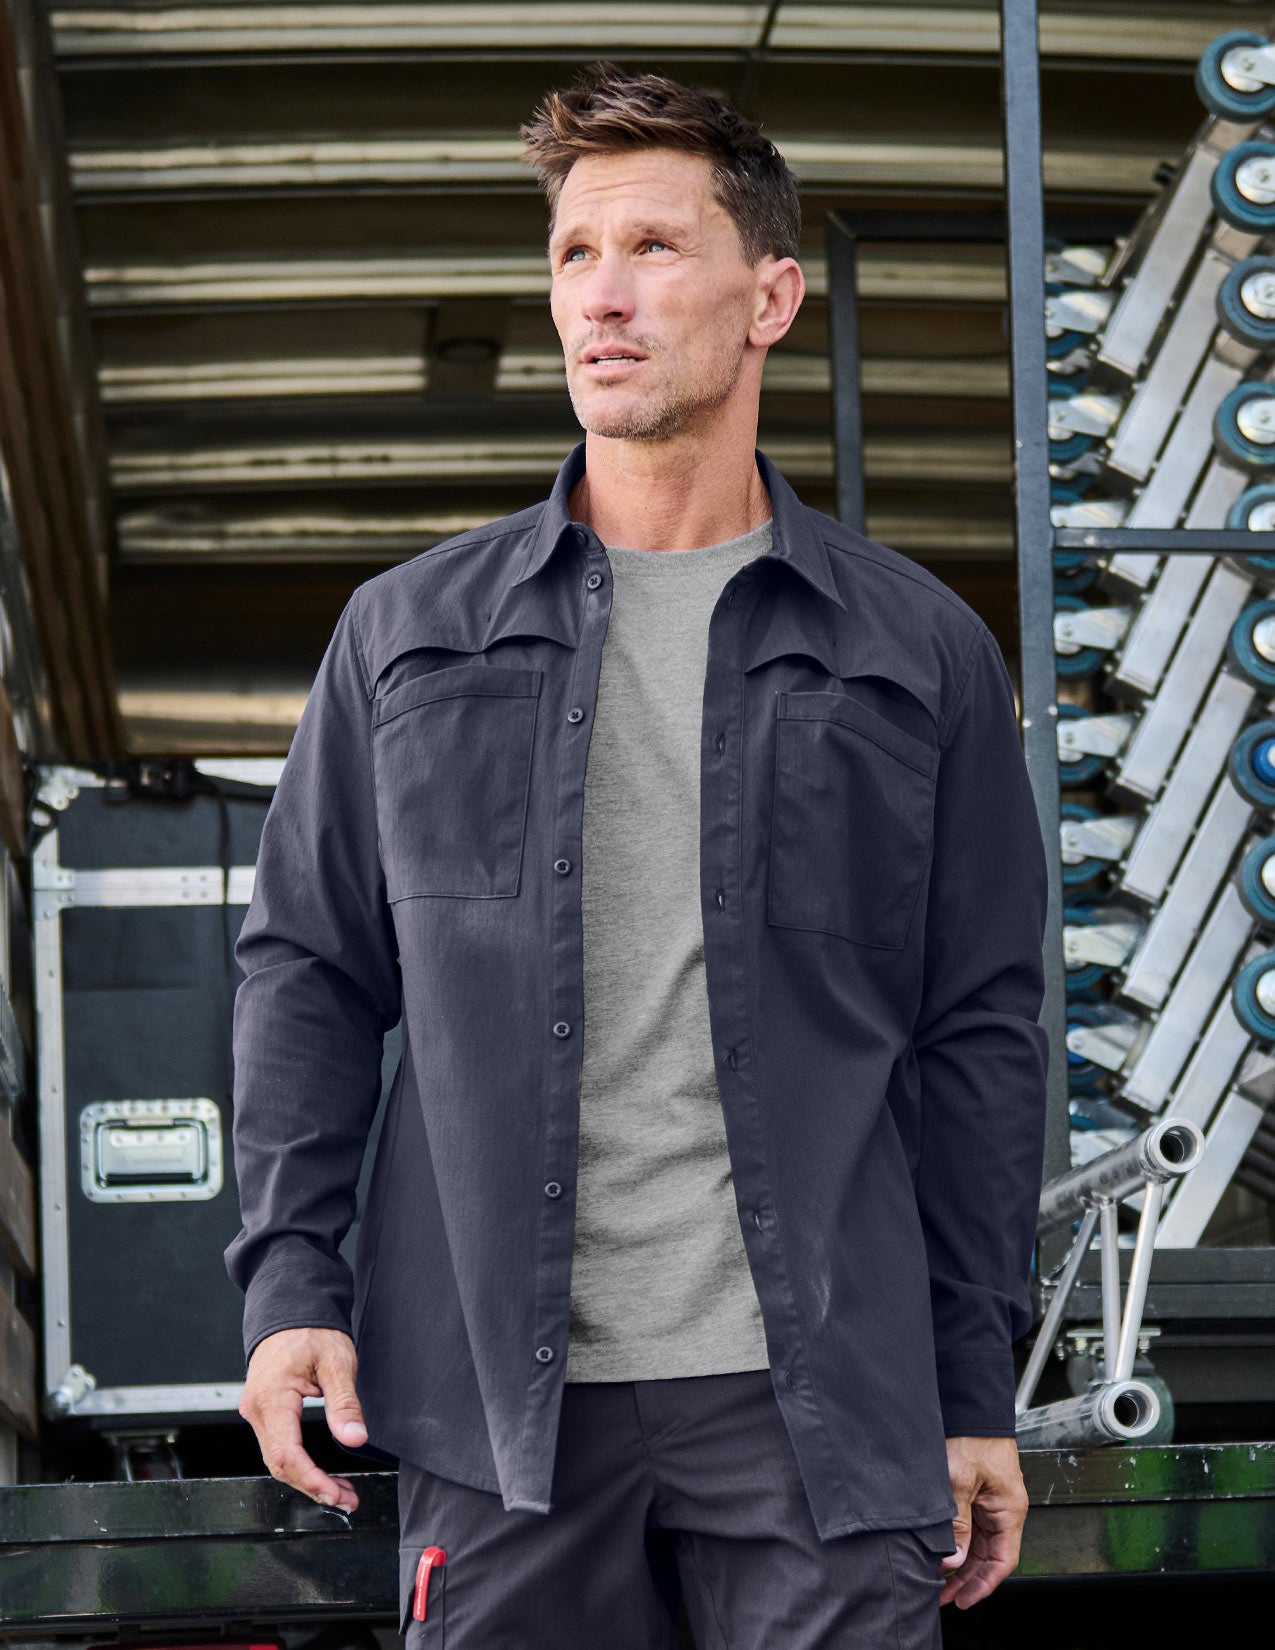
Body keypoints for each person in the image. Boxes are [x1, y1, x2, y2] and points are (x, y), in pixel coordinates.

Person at [226, 60, 1051, 1649]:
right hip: (499, 1413)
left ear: (771, 298)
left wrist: (971, 1380)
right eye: (573, 254)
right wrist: (291, 1291)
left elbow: (979, 1035)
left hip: (824, 1404)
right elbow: (306, 973)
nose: (601, 296)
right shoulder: (410, 635)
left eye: (656, 248)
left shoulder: (919, 650)